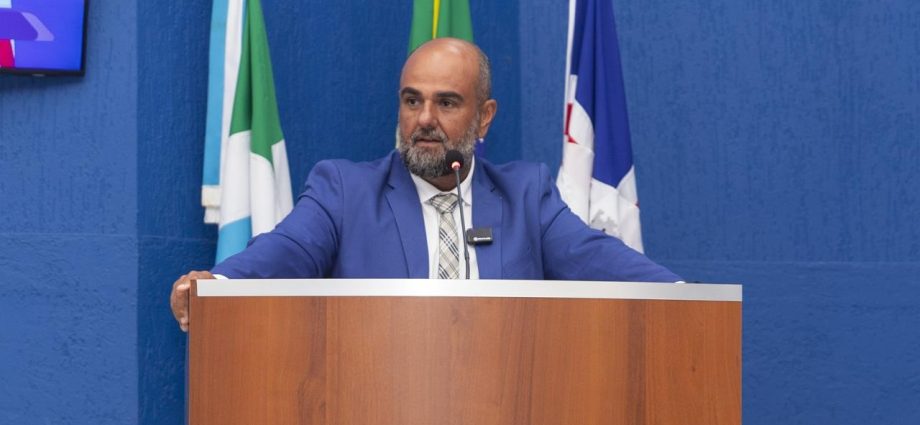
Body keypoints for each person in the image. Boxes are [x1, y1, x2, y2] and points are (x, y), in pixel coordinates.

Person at [170, 38, 680, 332]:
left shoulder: (527, 196)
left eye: (447, 103)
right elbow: (287, 249)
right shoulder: (344, 192)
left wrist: (684, 299)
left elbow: (596, 257)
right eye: (412, 101)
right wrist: (221, 284)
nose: (424, 119)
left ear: (485, 116)